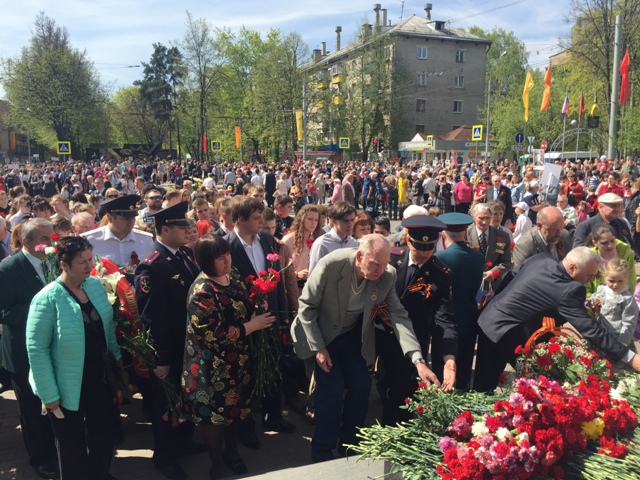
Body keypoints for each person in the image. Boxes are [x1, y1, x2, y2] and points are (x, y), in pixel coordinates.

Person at [291, 234, 440, 462]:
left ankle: (349, 444)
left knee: (361, 385)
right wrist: (319, 348)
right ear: (360, 256)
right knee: (331, 390)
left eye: (385, 263)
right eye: (375, 264)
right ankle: (322, 450)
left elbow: (398, 316)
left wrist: (418, 360)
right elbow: (307, 307)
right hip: (321, 334)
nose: (381, 269)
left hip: (352, 337)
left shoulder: (386, 276)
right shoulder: (332, 265)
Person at [473, 247, 640, 393]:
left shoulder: (542, 258)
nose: (590, 280)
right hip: (510, 336)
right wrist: (629, 356)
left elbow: (512, 275)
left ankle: (478, 423)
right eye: (589, 276)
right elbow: (590, 329)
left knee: (483, 385)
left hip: (489, 319)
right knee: (537, 385)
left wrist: (498, 300)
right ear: (573, 267)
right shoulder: (571, 289)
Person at [26, 236, 121, 480]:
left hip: (99, 379)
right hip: (67, 385)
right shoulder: (47, 298)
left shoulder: (94, 286)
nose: (89, 265)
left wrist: (118, 370)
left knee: (104, 434)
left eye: (90, 259)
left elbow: (107, 331)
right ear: (64, 264)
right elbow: (37, 349)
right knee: (71, 446)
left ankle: (99, 474)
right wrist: (49, 394)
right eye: (82, 262)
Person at [182, 234, 276, 479]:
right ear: (204, 261)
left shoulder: (232, 275)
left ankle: (232, 453)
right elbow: (212, 333)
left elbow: (243, 303)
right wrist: (251, 326)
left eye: (227, 254)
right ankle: (217, 463)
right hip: (211, 368)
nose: (226, 261)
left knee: (236, 410)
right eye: (219, 258)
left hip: (237, 362)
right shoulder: (202, 291)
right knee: (215, 418)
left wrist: (257, 306)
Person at [134, 202, 203, 480]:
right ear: (164, 230)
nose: (188, 229)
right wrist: (161, 357)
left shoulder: (184, 254)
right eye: (181, 226)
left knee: (187, 398)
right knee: (166, 405)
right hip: (171, 348)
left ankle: (184, 443)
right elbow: (153, 317)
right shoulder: (151, 266)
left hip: (190, 345)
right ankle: (164, 456)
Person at [224, 196, 294, 447]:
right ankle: (246, 429)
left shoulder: (266, 240)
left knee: (273, 370)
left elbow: (278, 283)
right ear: (239, 220)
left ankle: (272, 416)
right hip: (244, 323)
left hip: (271, 319)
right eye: (255, 219)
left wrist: (282, 317)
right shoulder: (225, 246)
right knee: (246, 377)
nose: (261, 223)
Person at [375, 216, 457, 425]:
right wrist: (382, 311)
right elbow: (372, 292)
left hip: (413, 337)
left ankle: (396, 432)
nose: (423, 253)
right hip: (380, 331)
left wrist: (449, 356)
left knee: (403, 390)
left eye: (429, 248)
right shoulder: (391, 259)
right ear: (408, 241)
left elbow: (444, 317)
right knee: (381, 383)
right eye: (419, 246)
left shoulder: (440, 273)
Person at [0, 219, 58, 479]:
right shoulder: (8, 269)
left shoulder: (53, 259)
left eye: (52, 237)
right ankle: (40, 458)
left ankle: (59, 451)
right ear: (25, 241)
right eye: (44, 238)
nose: (51, 243)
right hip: (23, 353)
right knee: (33, 410)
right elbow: (4, 311)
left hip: (53, 347)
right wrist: (41, 308)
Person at [435, 213, 485, 391]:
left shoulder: (440, 258)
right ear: (465, 234)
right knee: (464, 369)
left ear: (443, 235)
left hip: (445, 319)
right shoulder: (478, 257)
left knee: (444, 369)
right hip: (469, 318)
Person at [588, 258, 639, 368]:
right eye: (611, 281)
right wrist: (590, 305)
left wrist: (621, 345)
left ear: (626, 279)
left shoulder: (626, 299)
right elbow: (593, 303)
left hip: (618, 338)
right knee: (599, 366)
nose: (615, 285)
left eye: (620, 281)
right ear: (604, 277)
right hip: (601, 335)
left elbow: (629, 323)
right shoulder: (602, 291)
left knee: (618, 369)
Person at [83, 195, 154, 266]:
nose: (131, 221)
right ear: (110, 218)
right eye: (125, 218)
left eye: (133, 217)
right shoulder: (90, 240)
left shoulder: (145, 240)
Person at [466, 203, 511, 290]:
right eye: (481, 218)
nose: (485, 222)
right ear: (473, 217)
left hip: (493, 285)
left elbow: (506, 262)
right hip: (470, 283)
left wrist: (493, 273)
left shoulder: (502, 236)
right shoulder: (466, 234)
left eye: (488, 218)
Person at [585, 223, 636, 296]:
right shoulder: (589, 257)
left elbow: (631, 279)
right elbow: (587, 286)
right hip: (597, 299)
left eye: (612, 241)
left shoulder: (626, 252)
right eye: (604, 243)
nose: (610, 245)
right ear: (595, 243)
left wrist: (629, 297)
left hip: (622, 295)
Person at [308, 201, 358, 273]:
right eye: (345, 221)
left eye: (352, 220)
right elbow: (313, 275)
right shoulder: (322, 244)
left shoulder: (354, 243)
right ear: (333, 221)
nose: (350, 225)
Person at [282, 204, 321, 295]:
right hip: (295, 287)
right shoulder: (288, 240)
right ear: (302, 218)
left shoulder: (318, 239)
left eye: (316, 220)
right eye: (310, 219)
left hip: (313, 286)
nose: (313, 223)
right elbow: (281, 267)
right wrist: (296, 274)